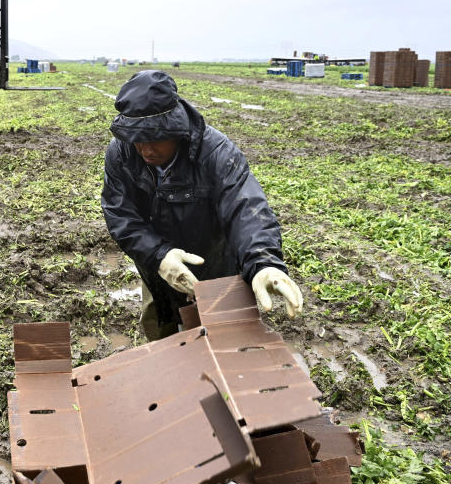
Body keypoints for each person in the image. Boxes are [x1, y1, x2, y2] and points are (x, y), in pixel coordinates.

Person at [100, 70, 303, 340]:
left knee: (223, 335)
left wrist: (263, 261)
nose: (146, 150)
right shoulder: (121, 153)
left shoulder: (216, 153)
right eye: (138, 139)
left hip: (215, 259)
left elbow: (246, 208)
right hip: (159, 264)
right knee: (162, 331)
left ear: (175, 128)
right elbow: (121, 215)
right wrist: (159, 256)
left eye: (154, 139)